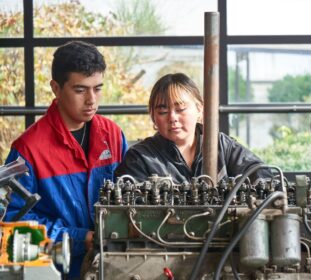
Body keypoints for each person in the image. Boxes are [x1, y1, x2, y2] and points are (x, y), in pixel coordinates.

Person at [4, 41, 128, 278]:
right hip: (57, 272)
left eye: (97, 88)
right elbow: (12, 224)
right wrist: (80, 238)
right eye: (80, 90)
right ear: (56, 88)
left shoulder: (113, 135)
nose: (91, 100)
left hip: (114, 268)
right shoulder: (27, 149)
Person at [115, 72, 270, 185]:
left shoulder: (222, 146)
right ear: (153, 116)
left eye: (181, 109)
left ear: (199, 109)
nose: (172, 118)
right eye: (163, 111)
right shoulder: (140, 158)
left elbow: (261, 173)